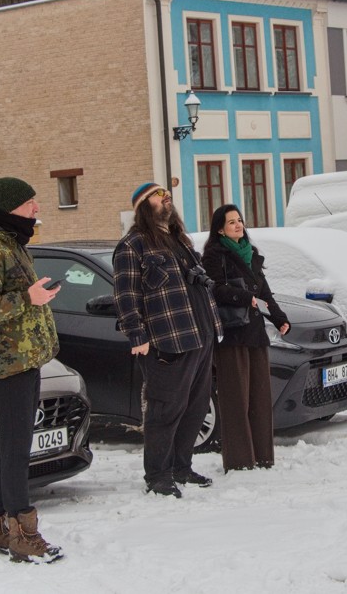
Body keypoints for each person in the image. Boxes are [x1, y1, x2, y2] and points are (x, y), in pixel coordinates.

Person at [0, 177, 63, 563]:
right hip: (7, 363)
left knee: (13, 443)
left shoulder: (10, 242)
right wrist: (26, 297)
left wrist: (36, 296)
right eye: (29, 202)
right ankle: (23, 535)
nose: (37, 208)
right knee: (18, 449)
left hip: (24, 358)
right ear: (8, 207)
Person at [112, 182, 221, 497]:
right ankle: (158, 475)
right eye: (159, 196)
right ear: (144, 206)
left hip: (199, 334)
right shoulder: (132, 245)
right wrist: (136, 335)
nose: (166, 199)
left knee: (195, 408)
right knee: (164, 410)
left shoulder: (179, 239)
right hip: (167, 340)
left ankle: (181, 467)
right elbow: (126, 295)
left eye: (167, 195)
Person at [201, 205, 290, 472]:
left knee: (260, 398)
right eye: (231, 222)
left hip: (255, 334)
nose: (238, 225)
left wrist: (280, 318)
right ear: (220, 229)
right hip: (231, 335)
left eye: (239, 220)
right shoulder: (214, 256)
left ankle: (263, 457)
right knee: (236, 401)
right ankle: (240, 461)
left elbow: (265, 294)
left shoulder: (251, 254)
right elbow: (214, 289)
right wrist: (243, 297)